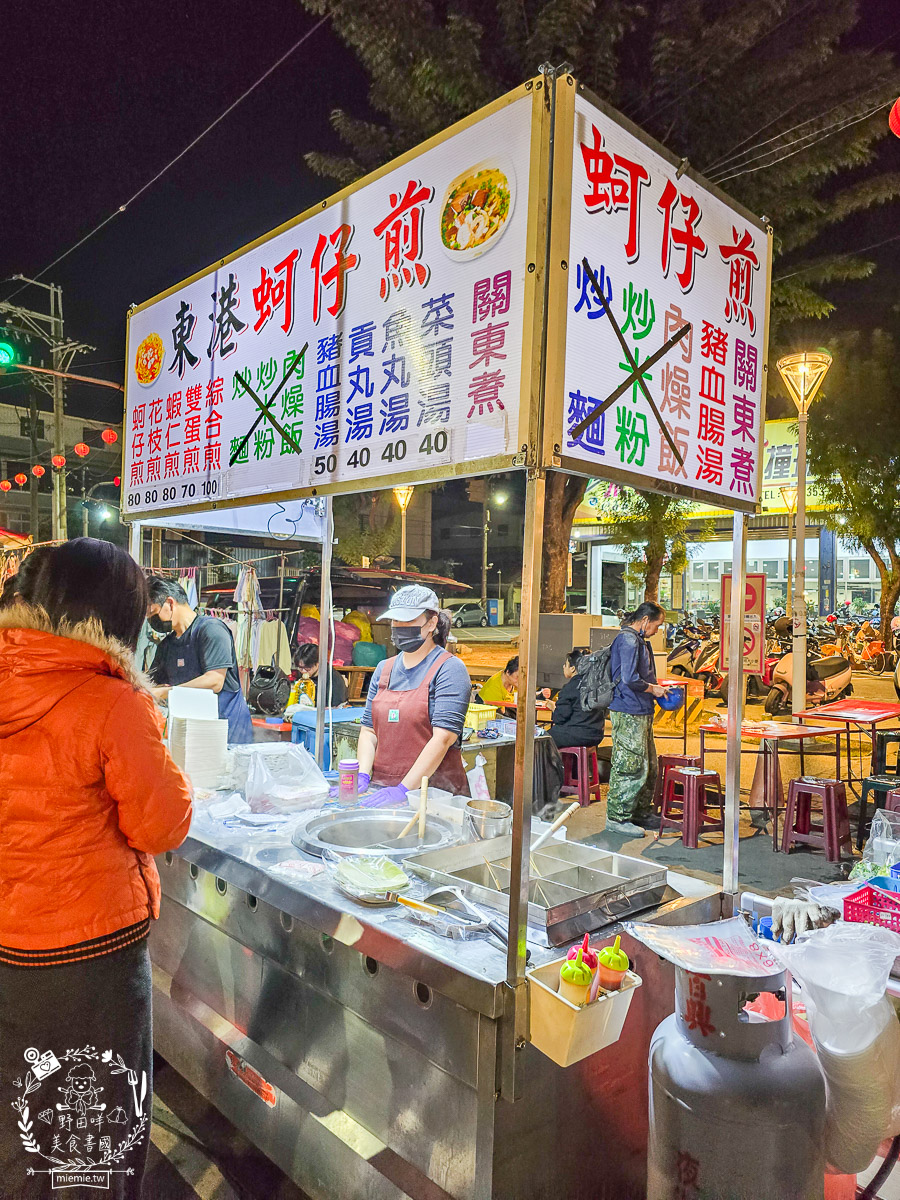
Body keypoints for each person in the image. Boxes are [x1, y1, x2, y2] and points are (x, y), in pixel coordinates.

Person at [0, 539, 192, 1200]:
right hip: (89, 954)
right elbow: (161, 824)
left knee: (22, 1127)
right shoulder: (112, 702)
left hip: (9, 947)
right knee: (94, 1142)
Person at [357, 585, 472, 802]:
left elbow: (443, 738)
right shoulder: (383, 669)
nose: (399, 627)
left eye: (408, 620)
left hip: (435, 796)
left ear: (432, 623)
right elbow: (369, 730)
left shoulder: (449, 669)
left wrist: (403, 790)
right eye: (395, 620)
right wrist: (363, 774)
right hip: (382, 790)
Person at [146, 576, 254, 743]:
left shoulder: (211, 630)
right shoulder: (166, 646)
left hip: (228, 732)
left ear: (170, 603)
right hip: (192, 733)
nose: (152, 621)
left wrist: (167, 691)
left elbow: (215, 681)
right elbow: (150, 684)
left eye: (153, 613)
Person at [605, 601, 670, 837]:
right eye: (657, 625)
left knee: (648, 765)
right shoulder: (629, 640)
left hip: (641, 710)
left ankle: (640, 812)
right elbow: (630, 679)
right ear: (644, 620)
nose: (657, 630)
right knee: (629, 765)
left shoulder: (639, 640)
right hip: (628, 709)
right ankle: (617, 817)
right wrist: (654, 689)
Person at [549, 648, 605, 749]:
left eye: (565, 665)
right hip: (596, 735)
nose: (563, 667)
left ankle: (557, 765)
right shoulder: (597, 685)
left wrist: (554, 708)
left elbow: (560, 718)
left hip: (577, 734)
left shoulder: (570, 687)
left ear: (573, 668)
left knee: (542, 739)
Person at [294, 641, 348, 706]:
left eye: (307, 668)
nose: (303, 671)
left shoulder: (333, 680)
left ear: (318, 663)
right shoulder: (302, 676)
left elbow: (335, 708)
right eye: (300, 667)